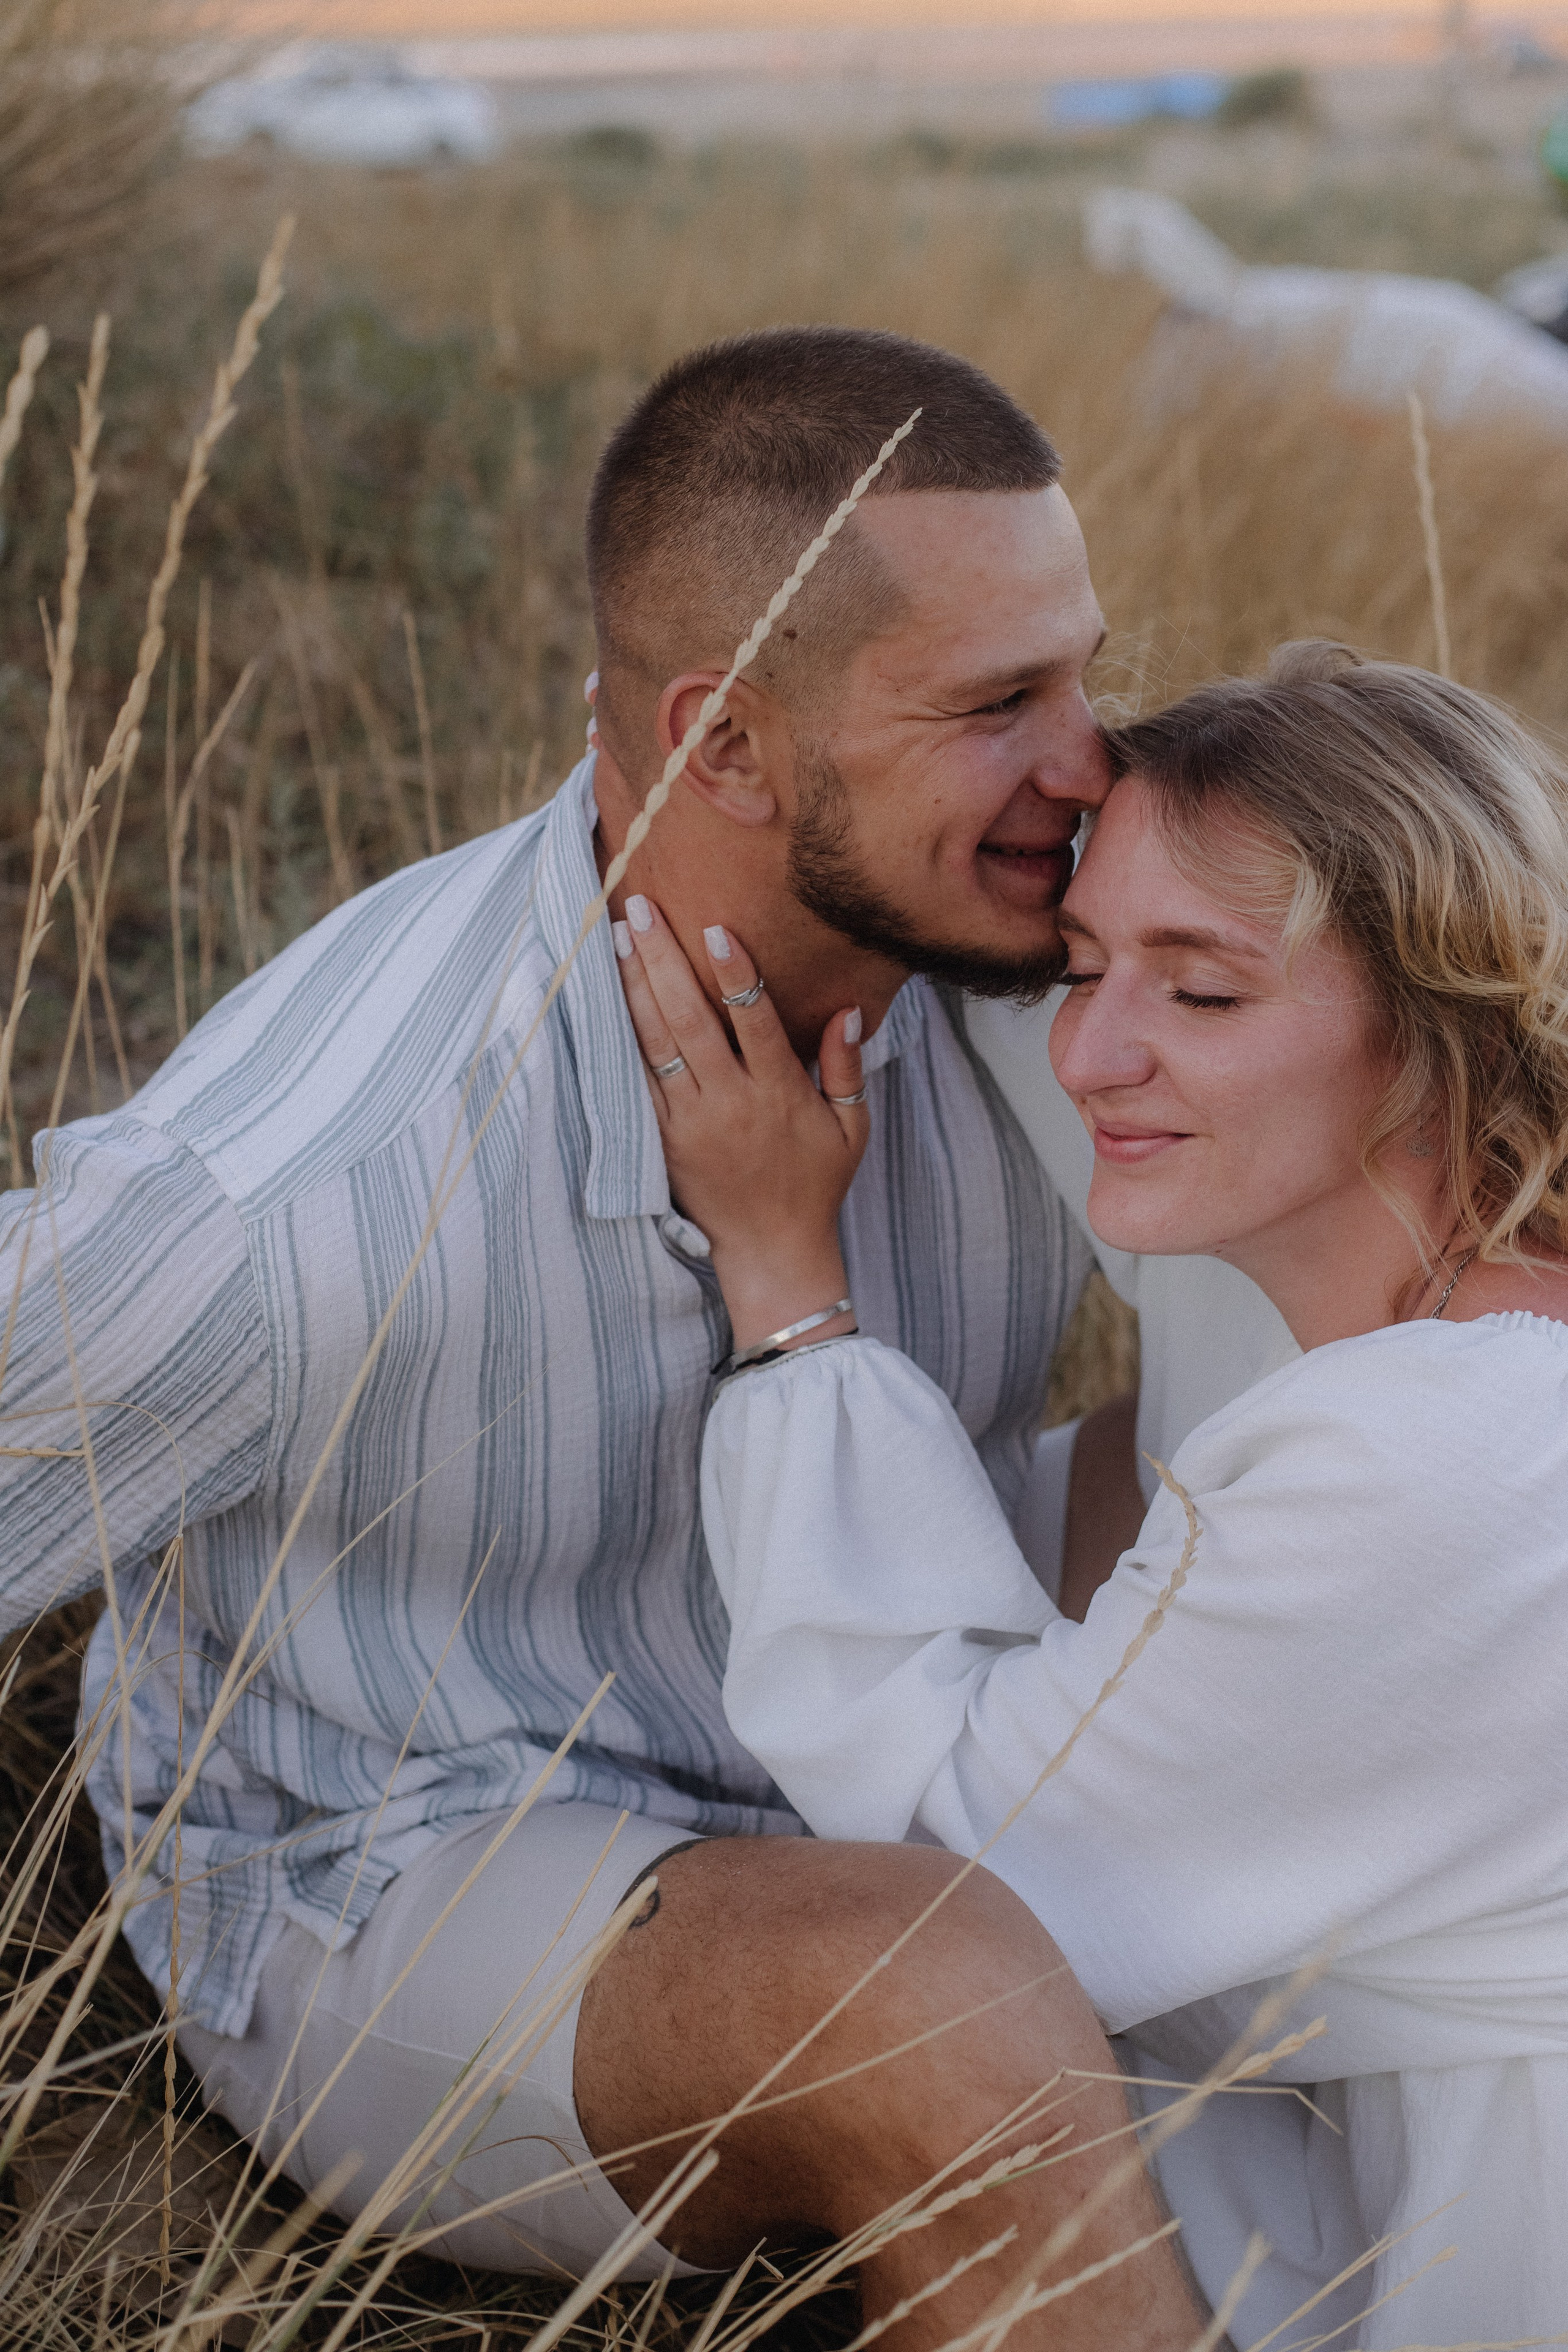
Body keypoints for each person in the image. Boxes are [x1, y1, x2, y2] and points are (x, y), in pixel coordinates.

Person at [0, 328, 1215, 2343]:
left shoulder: (1050, 967)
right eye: (1003, 704)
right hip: (408, 1866)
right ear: (725, 743)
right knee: (931, 1990)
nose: (1095, 765)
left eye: (1086, 667)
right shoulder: (298, 1197)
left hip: (883, 1697)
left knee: (1313, 1468)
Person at [614, 641, 1568, 2344]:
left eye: (1199, 993)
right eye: (1078, 966)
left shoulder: (1446, 1453)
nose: (1093, 1053)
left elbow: (963, 1897)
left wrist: (788, 1291)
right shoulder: (1456, 1320)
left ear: (1445, 1022)